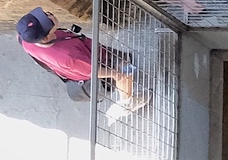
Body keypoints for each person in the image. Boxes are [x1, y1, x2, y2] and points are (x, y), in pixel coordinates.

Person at [16, 7, 146, 120]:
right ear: (46, 37)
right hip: (91, 67)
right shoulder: (67, 57)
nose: (50, 15)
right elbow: (93, 70)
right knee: (123, 71)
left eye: (45, 13)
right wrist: (115, 74)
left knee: (120, 64)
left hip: (87, 53)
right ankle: (127, 103)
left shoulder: (24, 38)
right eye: (48, 21)